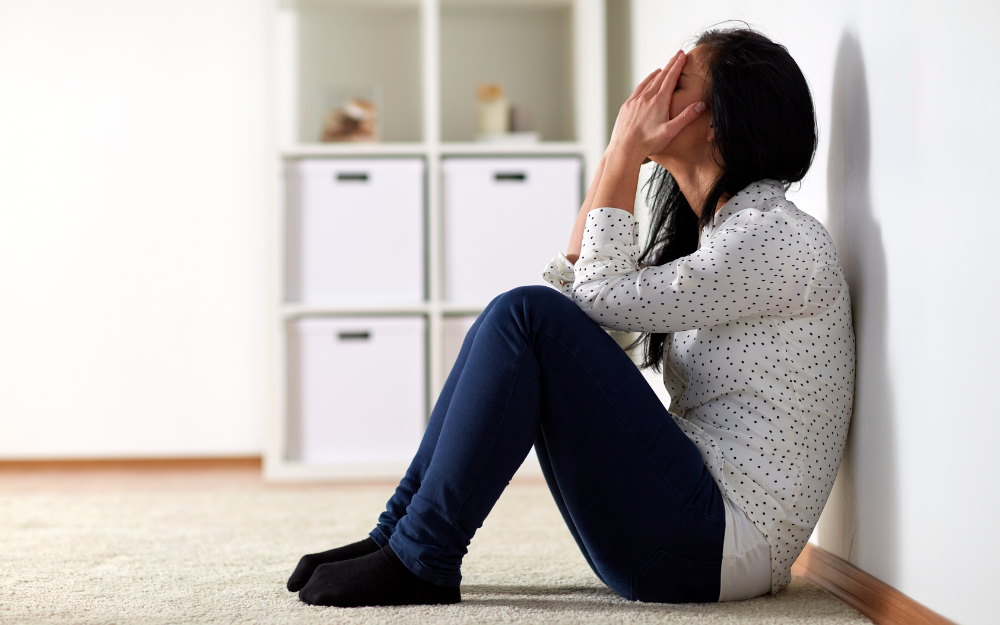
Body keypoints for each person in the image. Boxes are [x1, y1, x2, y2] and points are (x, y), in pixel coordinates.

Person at [287, 27, 855, 607]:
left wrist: (624, 151)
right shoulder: (725, 237)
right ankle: (398, 538)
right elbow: (577, 296)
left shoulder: (770, 237)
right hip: (694, 538)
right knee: (510, 318)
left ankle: (422, 556)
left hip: (710, 546)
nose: (645, 95)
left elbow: (587, 301)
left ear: (721, 120)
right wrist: (619, 154)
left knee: (523, 315)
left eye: (674, 80)